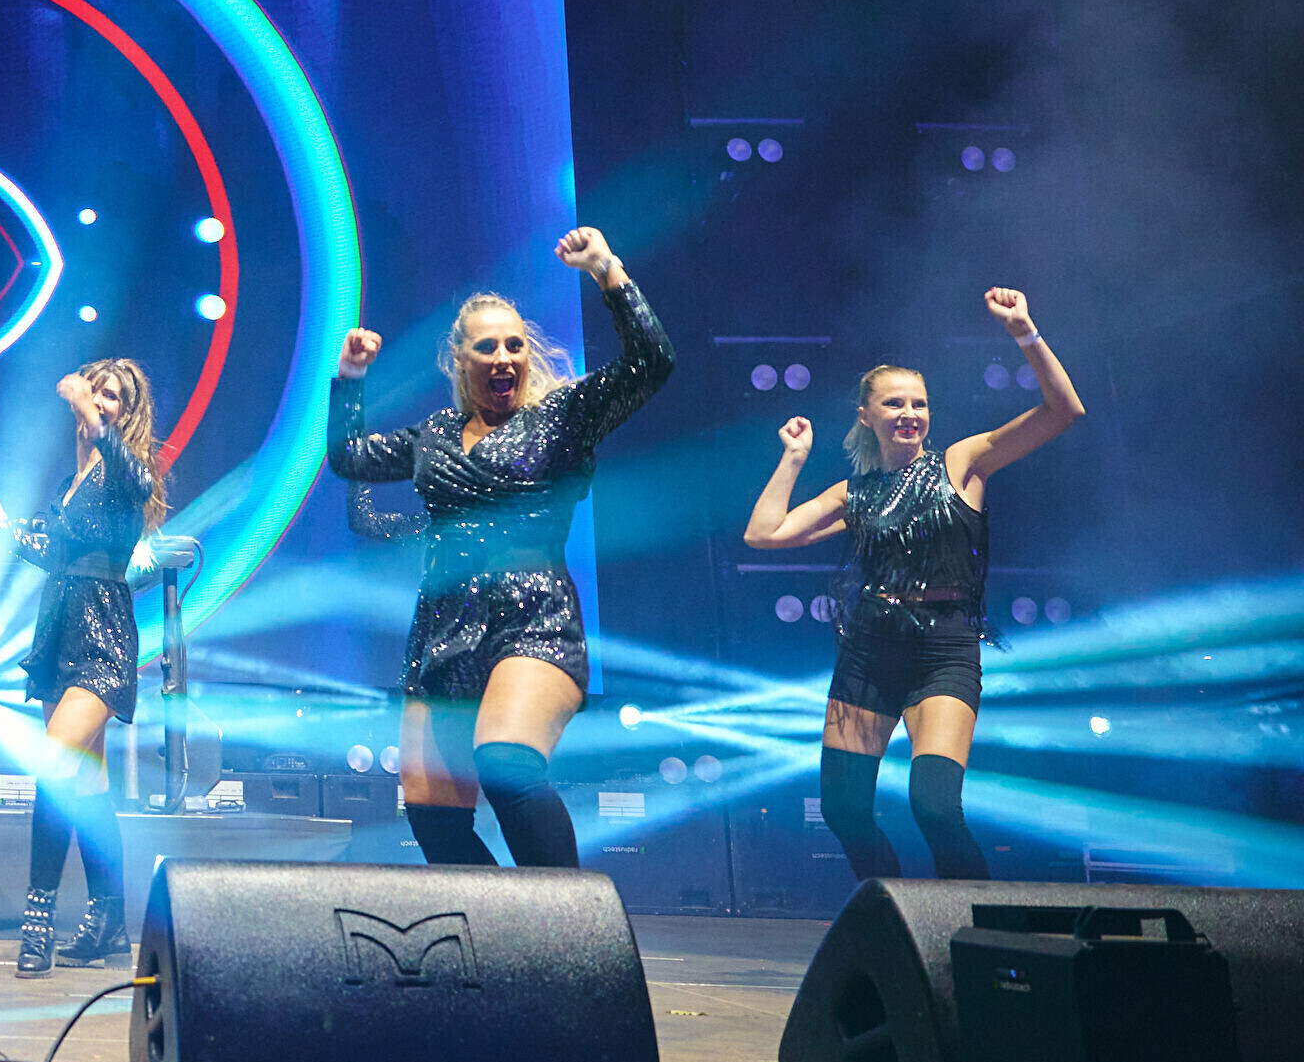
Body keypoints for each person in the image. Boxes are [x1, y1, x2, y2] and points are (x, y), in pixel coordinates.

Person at [328, 228, 672, 870]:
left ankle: (571, 922)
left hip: (533, 622)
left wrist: (606, 270)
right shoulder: (434, 434)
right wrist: (350, 378)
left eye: (515, 344)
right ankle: (508, 928)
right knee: (432, 815)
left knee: (506, 762)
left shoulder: (561, 418)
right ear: (460, 360)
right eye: (487, 346)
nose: (504, 357)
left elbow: (651, 363)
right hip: (443, 630)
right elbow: (349, 457)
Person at [742, 288, 1083, 881]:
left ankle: (978, 923)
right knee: (844, 810)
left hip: (944, 650)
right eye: (894, 403)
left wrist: (1024, 332)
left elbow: (1063, 411)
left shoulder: (962, 462)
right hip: (869, 650)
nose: (909, 414)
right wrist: (794, 457)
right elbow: (763, 533)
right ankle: (895, 912)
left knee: (935, 807)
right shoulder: (854, 493)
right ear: (866, 416)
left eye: (919, 404)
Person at [0, 360, 163, 976]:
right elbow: (57, 556)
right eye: (95, 393)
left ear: (126, 411)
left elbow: (139, 481)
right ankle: (109, 920)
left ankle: (37, 922)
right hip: (58, 634)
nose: (99, 402)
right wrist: (5, 528)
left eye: (110, 396)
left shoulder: (124, 472)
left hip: (103, 638)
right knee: (87, 786)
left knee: (54, 768)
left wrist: (87, 408)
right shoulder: (75, 479)